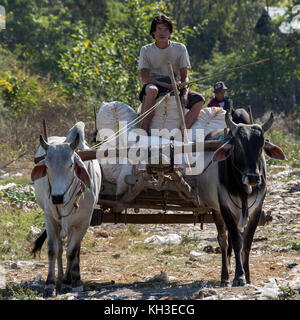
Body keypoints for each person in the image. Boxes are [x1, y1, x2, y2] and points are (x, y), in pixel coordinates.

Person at [138, 14, 205, 134]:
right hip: (154, 83)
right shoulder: (146, 50)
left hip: (176, 85)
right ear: (153, 32)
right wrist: (164, 84)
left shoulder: (180, 48)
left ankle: (182, 132)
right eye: (159, 29)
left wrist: (185, 93)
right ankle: (144, 129)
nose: (162, 33)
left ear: (170, 33)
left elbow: (184, 76)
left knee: (199, 99)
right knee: (152, 90)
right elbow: (144, 78)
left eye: (166, 30)